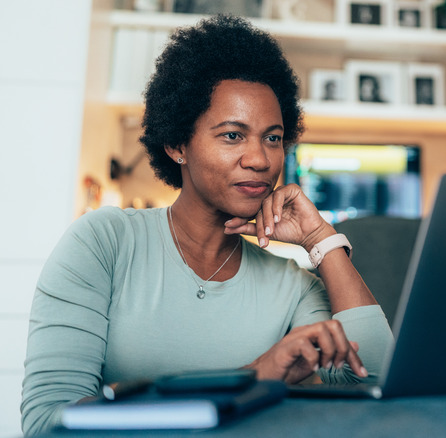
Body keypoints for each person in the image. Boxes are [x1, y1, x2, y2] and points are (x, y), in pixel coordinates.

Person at [21, 15, 393, 436]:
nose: (260, 159)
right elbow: (48, 423)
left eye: (273, 138)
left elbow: (376, 381)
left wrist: (320, 239)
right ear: (178, 144)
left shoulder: (292, 286)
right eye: (233, 135)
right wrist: (256, 376)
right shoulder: (104, 243)